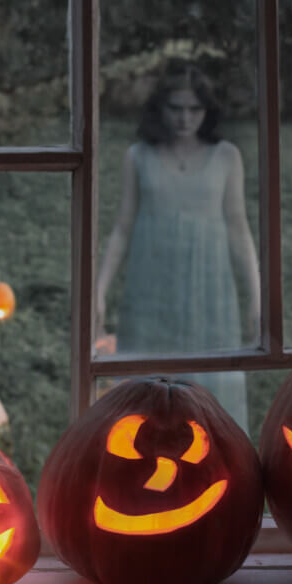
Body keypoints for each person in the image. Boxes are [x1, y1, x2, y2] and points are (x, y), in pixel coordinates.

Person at [96, 64, 261, 430]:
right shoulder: (139, 156)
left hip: (210, 292)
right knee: (146, 392)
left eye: (194, 109)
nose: (185, 118)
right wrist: (100, 290)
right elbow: (123, 227)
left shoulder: (226, 157)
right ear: (161, 109)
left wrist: (257, 296)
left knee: (211, 393)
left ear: (207, 111)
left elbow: (238, 227)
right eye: (176, 108)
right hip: (151, 289)